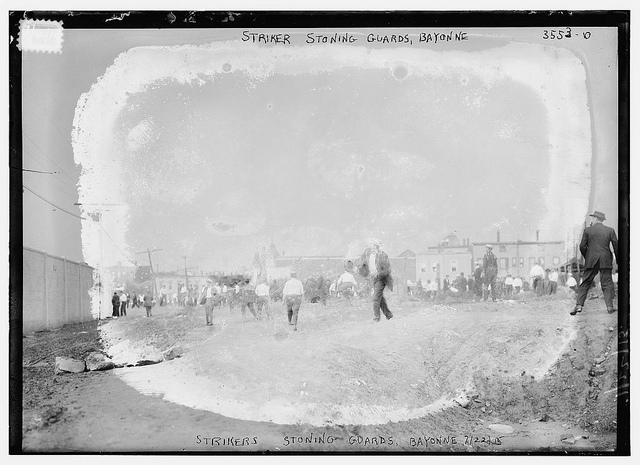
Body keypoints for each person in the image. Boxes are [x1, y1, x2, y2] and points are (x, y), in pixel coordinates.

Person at [571, 210, 618, 315]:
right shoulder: (610, 230)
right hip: (606, 260)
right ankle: (610, 307)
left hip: (591, 260)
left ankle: (579, 306)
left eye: (592, 217)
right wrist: (618, 260)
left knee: (586, 282)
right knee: (607, 283)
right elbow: (616, 246)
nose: (591, 219)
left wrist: (588, 257)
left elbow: (582, 246)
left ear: (595, 219)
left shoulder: (588, 230)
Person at [360, 239, 393, 322]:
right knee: (380, 298)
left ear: (378, 247)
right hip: (374, 278)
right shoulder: (367, 254)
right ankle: (389, 315)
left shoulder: (382, 255)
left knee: (375, 298)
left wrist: (378, 275)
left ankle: (376, 318)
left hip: (381, 279)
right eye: (371, 245)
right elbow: (363, 264)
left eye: (374, 245)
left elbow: (386, 271)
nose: (372, 247)